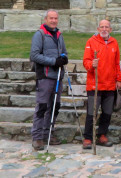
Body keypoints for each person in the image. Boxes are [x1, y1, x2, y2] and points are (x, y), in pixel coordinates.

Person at [81, 19, 121, 149]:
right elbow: (86, 61)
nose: (104, 29)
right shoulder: (91, 42)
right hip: (95, 84)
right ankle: (88, 138)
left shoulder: (114, 42)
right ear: (98, 29)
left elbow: (117, 63)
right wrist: (91, 64)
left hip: (110, 84)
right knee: (91, 112)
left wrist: (119, 79)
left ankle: (102, 135)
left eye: (106, 27)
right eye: (102, 27)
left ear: (110, 29)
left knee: (107, 112)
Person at [30, 9, 69, 150]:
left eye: (55, 18)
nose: (53, 21)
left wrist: (64, 58)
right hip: (45, 77)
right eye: (51, 18)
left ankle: (48, 134)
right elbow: (34, 56)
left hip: (57, 77)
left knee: (54, 107)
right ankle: (37, 137)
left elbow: (64, 52)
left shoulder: (59, 35)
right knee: (42, 107)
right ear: (45, 19)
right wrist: (53, 61)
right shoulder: (39, 35)